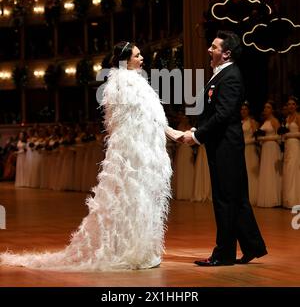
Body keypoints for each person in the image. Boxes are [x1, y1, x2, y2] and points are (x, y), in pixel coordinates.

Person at [0, 41, 172, 271]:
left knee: (137, 198)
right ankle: (130, 249)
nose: (142, 58)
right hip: (131, 151)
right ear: (125, 60)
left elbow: (149, 118)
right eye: (137, 55)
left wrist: (165, 133)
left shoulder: (134, 82)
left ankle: (137, 247)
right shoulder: (125, 83)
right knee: (130, 197)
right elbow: (127, 121)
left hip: (137, 149)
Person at [181, 30, 267, 266]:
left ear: (226, 54)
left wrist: (197, 135)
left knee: (225, 200)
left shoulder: (230, 76)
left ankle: (224, 254)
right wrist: (196, 130)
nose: (209, 50)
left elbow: (223, 115)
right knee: (235, 198)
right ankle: (252, 246)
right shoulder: (221, 74)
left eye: (214, 47)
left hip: (226, 146)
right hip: (222, 144)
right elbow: (212, 111)